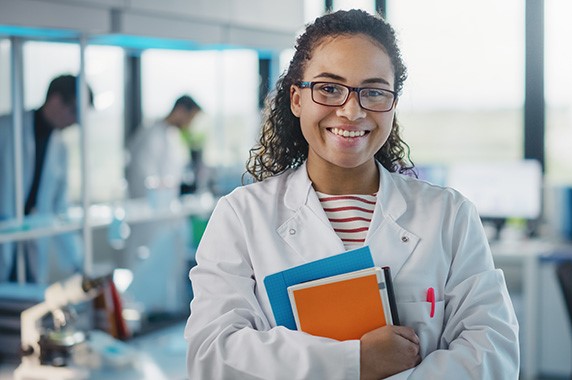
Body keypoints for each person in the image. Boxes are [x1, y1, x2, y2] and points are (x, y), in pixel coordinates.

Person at [185, 9, 519, 379]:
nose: (351, 110)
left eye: (373, 92)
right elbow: (212, 355)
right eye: (329, 88)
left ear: (392, 104)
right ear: (297, 99)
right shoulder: (241, 216)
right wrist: (356, 362)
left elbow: (493, 353)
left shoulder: (449, 214)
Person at [0, 74, 91, 283]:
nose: (76, 121)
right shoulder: (7, 128)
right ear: (56, 100)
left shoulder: (60, 148)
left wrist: (80, 262)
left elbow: (59, 210)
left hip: (30, 241)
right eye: (74, 111)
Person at [125, 95, 201, 199]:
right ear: (180, 111)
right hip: (149, 204)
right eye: (190, 118)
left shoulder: (172, 135)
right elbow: (144, 176)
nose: (189, 124)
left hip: (164, 202)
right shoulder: (152, 135)